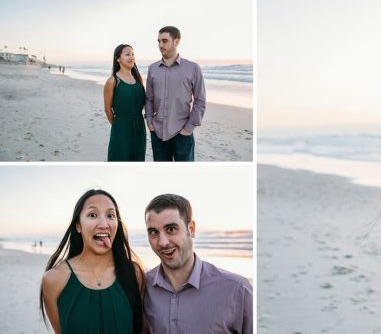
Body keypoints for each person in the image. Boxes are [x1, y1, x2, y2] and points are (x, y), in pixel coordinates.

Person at [143, 194, 252, 333]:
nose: (162, 242)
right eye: (153, 232)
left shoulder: (237, 289)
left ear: (191, 229)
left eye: (171, 229)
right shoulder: (142, 287)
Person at [40, 189, 144, 334]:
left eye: (110, 215)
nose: (104, 223)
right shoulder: (53, 280)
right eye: (92, 215)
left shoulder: (134, 273)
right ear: (78, 225)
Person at [144, 26, 206, 161]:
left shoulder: (193, 68)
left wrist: (188, 129)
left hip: (182, 132)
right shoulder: (152, 69)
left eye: (164, 41)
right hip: (158, 133)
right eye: (158, 41)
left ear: (176, 42)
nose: (160, 45)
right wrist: (150, 122)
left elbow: (200, 100)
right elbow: (149, 98)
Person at [104, 44, 147, 161]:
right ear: (118, 58)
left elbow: (142, 102)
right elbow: (108, 109)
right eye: (127, 54)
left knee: (138, 161)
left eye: (133, 54)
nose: (131, 57)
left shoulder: (138, 79)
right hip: (121, 127)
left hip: (139, 126)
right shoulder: (112, 81)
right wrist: (119, 125)